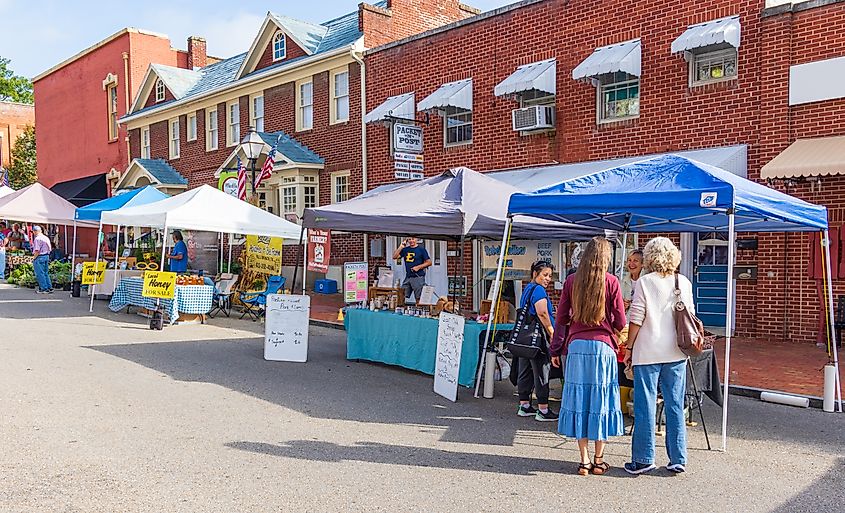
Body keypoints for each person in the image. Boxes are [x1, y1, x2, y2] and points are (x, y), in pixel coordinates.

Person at [551, 236, 626, 476]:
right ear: (606, 258)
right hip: (603, 349)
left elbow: (560, 318)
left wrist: (556, 348)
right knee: (600, 402)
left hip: (576, 347)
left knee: (579, 401)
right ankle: (598, 459)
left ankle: (583, 461)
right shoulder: (612, 282)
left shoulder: (572, 281)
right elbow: (621, 321)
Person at [623, 237, 693, 475]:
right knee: (674, 404)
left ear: (649, 257)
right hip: (676, 350)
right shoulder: (683, 281)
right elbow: (691, 315)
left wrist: (629, 347)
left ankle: (644, 458)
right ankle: (678, 457)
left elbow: (636, 317)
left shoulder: (645, 282)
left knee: (645, 405)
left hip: (648, 350)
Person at [515, 261, 559, 422]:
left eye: (550, 276)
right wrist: (552, 331)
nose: (548, 279)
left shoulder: (528, 288)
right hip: (537, 337)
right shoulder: (539, 290)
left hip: (524, 338)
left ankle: (524, 405)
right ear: (535, 273)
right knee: (542, 371)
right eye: (545, 275)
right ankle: (543, 409)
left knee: (525, 370)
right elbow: (542, 313)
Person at [392, 237, 431, 303]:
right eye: (409, 239)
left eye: (413, 239)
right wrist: (401, 246)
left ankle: (419, 310)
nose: (411, 241)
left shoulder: (421, 250)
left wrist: (418, 267)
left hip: (418, 276)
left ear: (416, 239)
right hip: (408, 276)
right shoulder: (405, 250)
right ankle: (401, 310)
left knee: (418, 297)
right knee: (401, 295)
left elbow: (429, 262)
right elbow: (394, 257)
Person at [31, 225, 53, 294]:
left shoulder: (37, 239)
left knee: (40, 273)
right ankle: (49, 287)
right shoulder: (46, 238)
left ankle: (44, 288)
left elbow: (37, 250)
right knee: (45, 273)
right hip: (46, 256)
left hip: (40, 257)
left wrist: (34, 258)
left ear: (35, 231)